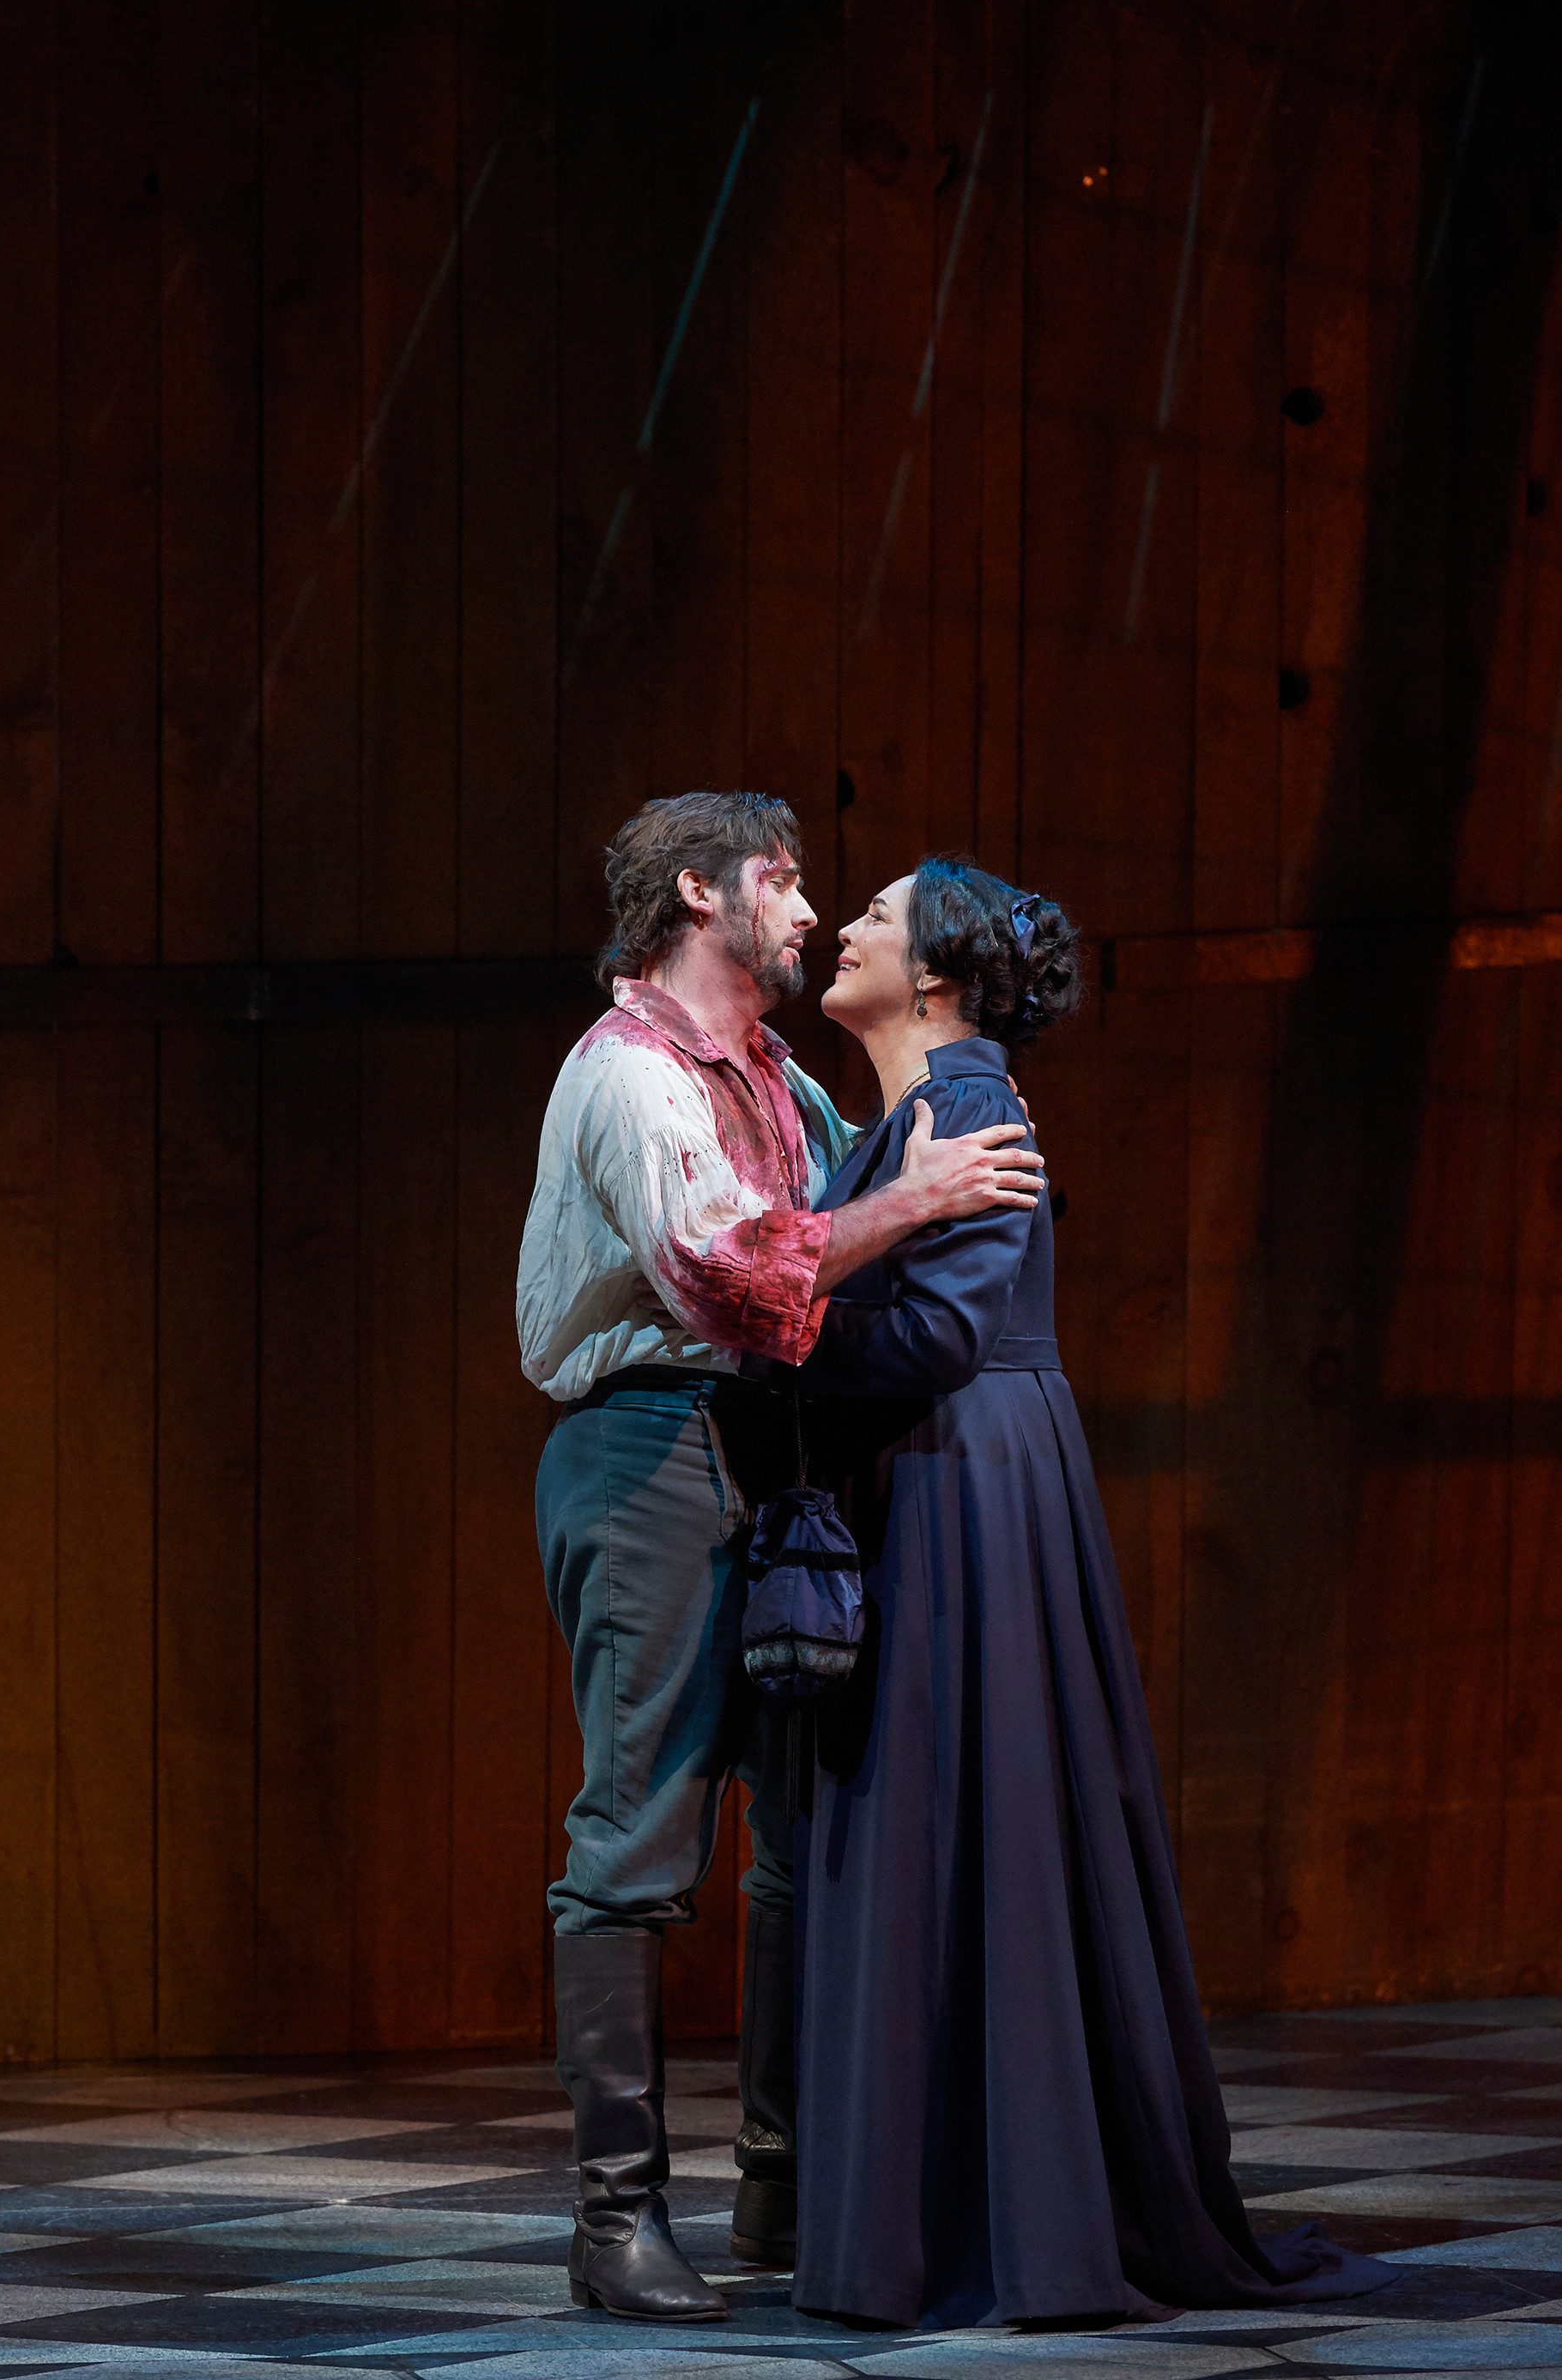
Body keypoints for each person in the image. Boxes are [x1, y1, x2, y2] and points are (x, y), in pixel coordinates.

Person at [764, 855, 1393, 2329]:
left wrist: (762, 1357)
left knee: (971, 1827)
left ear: (931, 977)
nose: (846, 926)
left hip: (964, 1482)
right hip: (935, 1475)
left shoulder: (966, 1103)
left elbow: (935, 1336)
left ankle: (1010, 2222)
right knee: (937, 1832)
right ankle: (928, 2217)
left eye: (876, 914)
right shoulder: (907, 1117)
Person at [516, 795, 1045, 2325]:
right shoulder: (628, 1077)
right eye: (785, 880)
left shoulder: (774, 1078)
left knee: (802, 1833)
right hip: (652, 1443)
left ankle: (783, 2179)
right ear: (701, 892)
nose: (808, 911)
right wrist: (922, 1197)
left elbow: (836, 1233)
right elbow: (735, 1274)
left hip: (770, 1447)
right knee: (640, 1834)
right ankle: (615, 2224)